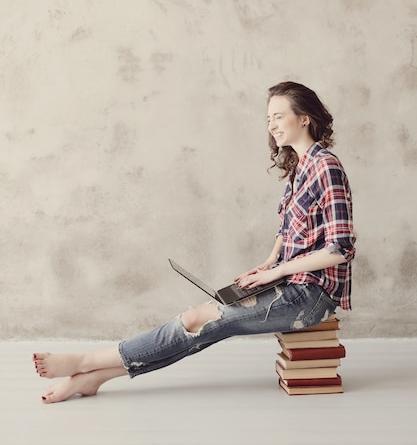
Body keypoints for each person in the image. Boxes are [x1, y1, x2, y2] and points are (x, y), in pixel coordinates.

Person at [33, 81, 356, 403]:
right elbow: (288, 229)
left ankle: (87, 363)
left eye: (279, 116)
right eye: (268, 118)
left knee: (202, 321)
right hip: (290, 280)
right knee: (199, 320)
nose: (271, 125)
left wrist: (274, 273)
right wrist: (270, 262)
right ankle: (96, 377)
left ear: (304, 118)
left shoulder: (326, 166)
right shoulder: (301, 168)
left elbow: (340, 248)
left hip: (312, 295)